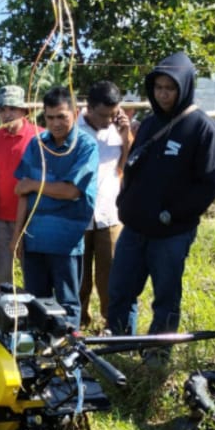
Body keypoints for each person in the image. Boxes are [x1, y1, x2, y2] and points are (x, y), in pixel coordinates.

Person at [106, 53, 215, 336]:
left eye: (169, 88)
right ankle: (120, 345)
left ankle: (157, 355)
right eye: (158, 88)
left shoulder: (202, 128)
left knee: (166, 298)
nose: (163, 94)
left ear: (184, 88)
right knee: (120, 291)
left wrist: (172, 214)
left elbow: (208, 185)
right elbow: (132, 165)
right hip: (134, 228)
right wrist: (125, 203)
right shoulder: (149, 124)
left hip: (171, 232)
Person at [12, 87, 98, 327]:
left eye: (62, 116)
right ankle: (39, 357)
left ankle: (68, 359)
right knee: (35, 303)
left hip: (65, 243)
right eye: (50, 117)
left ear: (76, 112)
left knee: (67, 305)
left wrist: (33, 184)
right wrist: (17, 235)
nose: (56, 123)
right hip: (34, 239)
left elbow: (71, 191)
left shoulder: (85, 146)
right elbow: (22, 192)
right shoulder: (36, 144)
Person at [79, 81, 134, 329]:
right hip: (79, 214)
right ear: (88, 108)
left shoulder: (120, 129)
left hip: (109, 213)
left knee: (111, 276)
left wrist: (126, 138)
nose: (107, 120)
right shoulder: (73, 128)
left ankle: (111, 325)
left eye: (113, 114)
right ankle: (77, 325)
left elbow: (125, 168)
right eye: (102, 115)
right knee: (79, 277)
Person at [0, 85, 39, 287]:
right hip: (1, 218)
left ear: (24, 111)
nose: (7, 114)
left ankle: (33, 315)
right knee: (4, 276)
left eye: (12, 109)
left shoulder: (39, 137)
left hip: (32, 218)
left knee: (33, 273)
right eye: (2, 109)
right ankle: (6, 316)